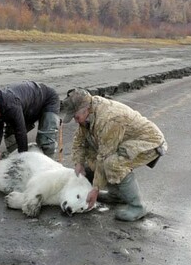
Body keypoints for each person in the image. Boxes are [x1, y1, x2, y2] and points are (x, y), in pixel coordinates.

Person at [61, 88, 167, 221]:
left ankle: (137, 207)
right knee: (93, 157)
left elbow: (104, 155)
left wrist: (95, 189)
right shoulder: (88, 112)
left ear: (86, 109)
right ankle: (117, 196)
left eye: (76, 117)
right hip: (124, 140)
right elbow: (79, 140)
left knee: (113, 163)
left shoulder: (108, 119)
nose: (75, 121)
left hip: (149, 142)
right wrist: (79, 163)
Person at [0, 81, 61, 162]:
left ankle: (46, 167)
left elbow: (20, 131)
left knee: (45, 140)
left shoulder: (11, 105)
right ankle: (18, 160)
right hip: (29, 107)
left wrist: (23, 156)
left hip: (48, 100)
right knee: (10, 137)